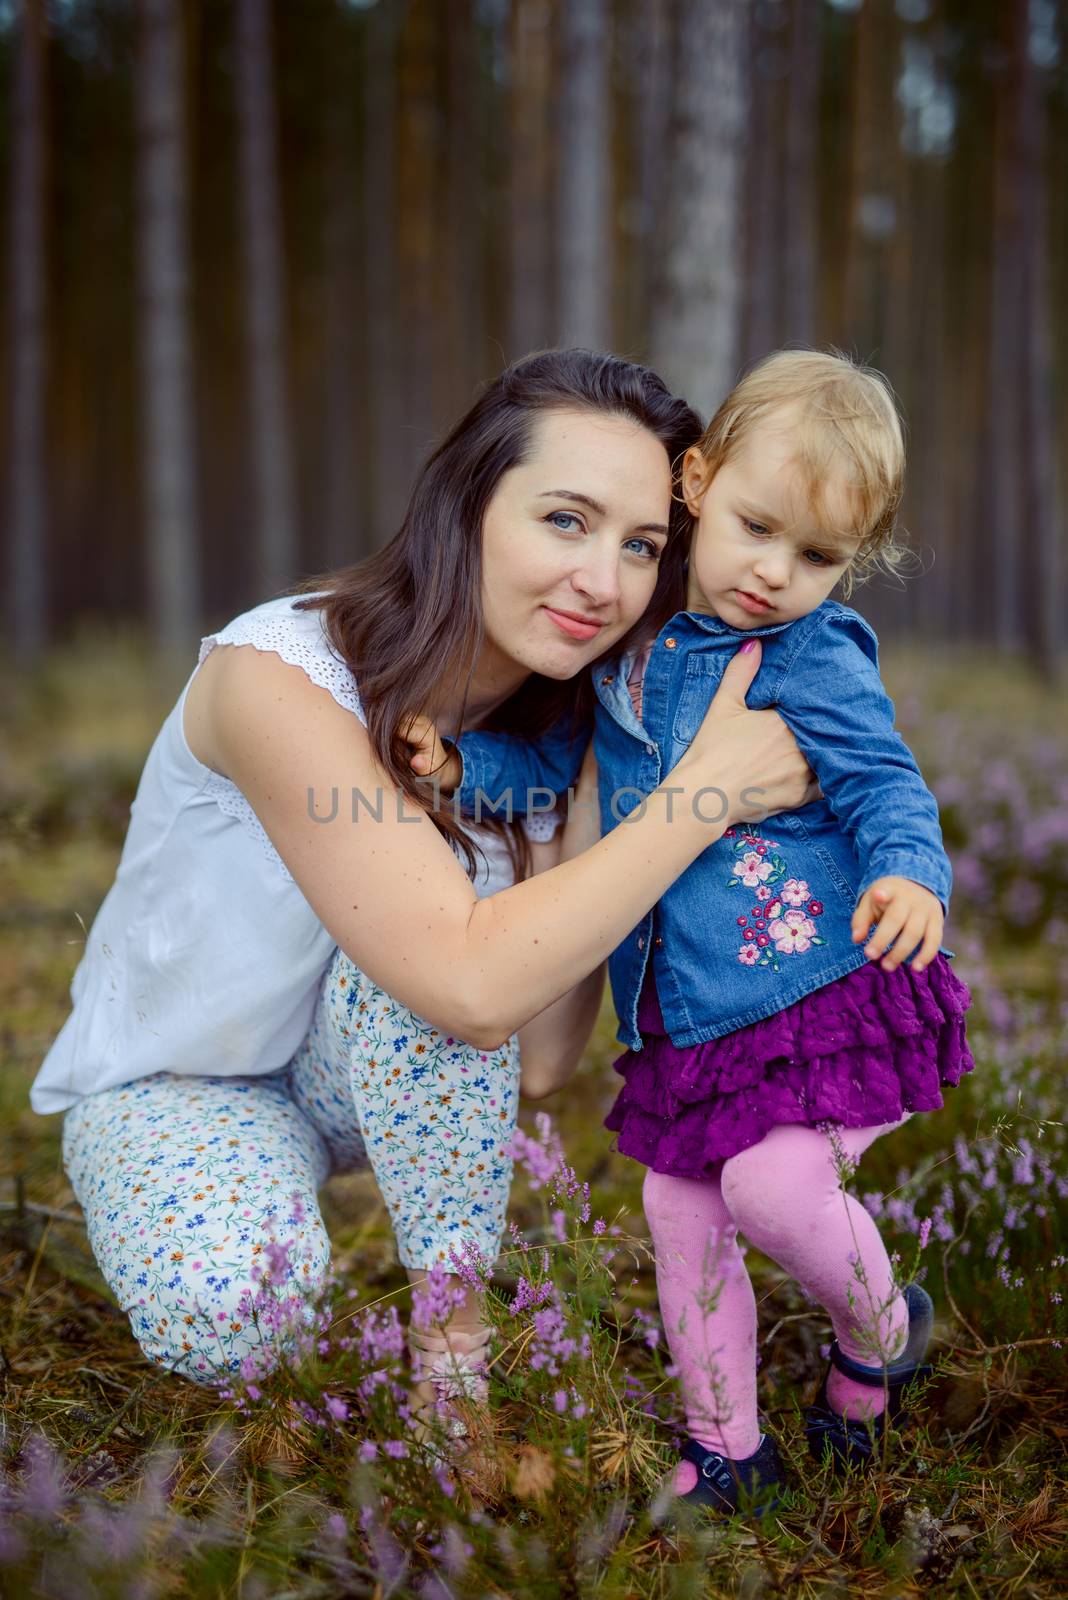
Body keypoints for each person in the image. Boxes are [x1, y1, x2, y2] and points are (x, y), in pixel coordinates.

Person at [31, 349, 816, 1430]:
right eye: (566, 520)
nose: (606, 580)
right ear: (466, 508)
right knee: (242, 1316)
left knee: (449, 967)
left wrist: (607, 775)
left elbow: (537, 1059)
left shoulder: (550, 734)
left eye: (643, 546)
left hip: (349, 1080)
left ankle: (453, 1351)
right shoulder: (278, 673)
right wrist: (703, 797)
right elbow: (467, 981)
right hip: (179, 1083)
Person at [412, 349, 975, 1509]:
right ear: (699, 483)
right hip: (691, 1012)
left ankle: (883, 1332)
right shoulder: (632, 639)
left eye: (817, 555)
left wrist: (914, 873)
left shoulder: (815, 655)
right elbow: (566, 765)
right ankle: (727, 1446)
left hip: (817, 991)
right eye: (757, 527)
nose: (774, 572)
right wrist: (468, 761)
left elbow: (884, 780)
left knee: (773, 1194)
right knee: (680, 1210)